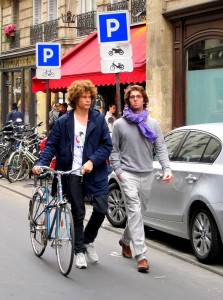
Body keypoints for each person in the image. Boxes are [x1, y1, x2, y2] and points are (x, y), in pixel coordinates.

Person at [32, 79, 112, 270]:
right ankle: (79, 252)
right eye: (84, 97)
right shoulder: (63, 122)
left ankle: (87, 239)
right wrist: (41, 163)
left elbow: (107, 145)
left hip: (94, 172)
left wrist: (92, 160)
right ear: (75, 99)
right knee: (78, 213)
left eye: (90, 96)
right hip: (72, 173)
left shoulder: (98, 119)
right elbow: (50, 145)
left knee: (101, 209)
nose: (88, 100)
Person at [109, 84, 173, 273]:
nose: (135, 99)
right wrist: (119, 172)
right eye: (132, 97)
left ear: (144, 99)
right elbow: (114, 151)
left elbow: (160, 148)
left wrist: (166, 168)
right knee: (135, 211)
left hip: (147, 173)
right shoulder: (120, 124)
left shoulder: (152, 124)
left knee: (139, 212)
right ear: (128, 101)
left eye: (138, 96)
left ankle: (125, 241)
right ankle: (142, 256)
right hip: (127, 174)